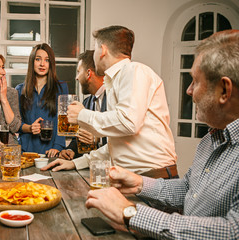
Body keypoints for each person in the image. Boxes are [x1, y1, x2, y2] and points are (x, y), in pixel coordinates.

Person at [85, 29, 239, 239]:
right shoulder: (208, 141)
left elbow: (232, 231)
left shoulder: (134, 72)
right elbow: (187, 189)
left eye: (195, 81)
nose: (189, 90)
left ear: (224, 90)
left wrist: (129, 213)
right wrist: (139, 183)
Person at [53, 26, 177, 178]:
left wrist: (82, 115)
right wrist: (75, 163)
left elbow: (128, 123)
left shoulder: (133, 70)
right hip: (135, 178)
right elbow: (115, 145)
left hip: (154, 178)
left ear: (103, 50)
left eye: (95, 49)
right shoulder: (115, 80)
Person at [15, 43, 68, 157]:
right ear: (32, 62)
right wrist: (29, 128)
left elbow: (64, 120)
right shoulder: (20, 90)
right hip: (26, 151)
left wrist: (57, 147)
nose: (42, 64)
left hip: (51, 152)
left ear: (51, 64)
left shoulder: (61, 87)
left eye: (47, 60)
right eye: (38, 59)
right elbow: (15, 123)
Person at [58, 50, 107, 160]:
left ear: (88, 73)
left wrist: (98, 138)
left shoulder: (113, 99)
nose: (76, 78)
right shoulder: (86, 102)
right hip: (89, 167)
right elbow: (79, 137)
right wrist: (70, 150)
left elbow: (120, 136)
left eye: (78, 72)